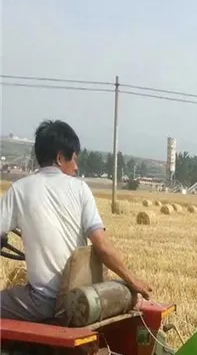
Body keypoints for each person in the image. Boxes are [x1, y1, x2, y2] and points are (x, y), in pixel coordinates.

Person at [0, 119, 152, 322]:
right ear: (60, 158)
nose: (77, 167)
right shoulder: (81, 190)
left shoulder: (20, 189)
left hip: (44, 302)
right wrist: (133, 281)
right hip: (81, 296)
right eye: (74, 159)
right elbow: (103, 247)